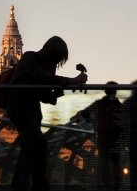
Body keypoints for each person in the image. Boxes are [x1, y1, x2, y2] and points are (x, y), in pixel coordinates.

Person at [6, 36, 87, 191]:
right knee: (39, 145)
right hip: (19, 108)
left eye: (60, 59)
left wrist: (57, 93)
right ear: (50, 50)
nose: (57, 62)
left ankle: (20, 186)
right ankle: (39, 186)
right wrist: (71, 80)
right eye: (57, 57)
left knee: (28, 149)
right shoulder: (29, 58)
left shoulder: (50, 67)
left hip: (33, 112)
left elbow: (44, 95)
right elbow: (41, 78)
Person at [83, 81, 122, 191]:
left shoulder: (99, 103)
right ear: (115, 91)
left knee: (104, 163)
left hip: (102, 136)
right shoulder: (118, 105)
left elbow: (84, 113)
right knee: (116, 163)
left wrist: (93, 122)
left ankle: (106, 186)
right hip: (115, 137)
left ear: (105, 91)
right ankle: (117, 186)